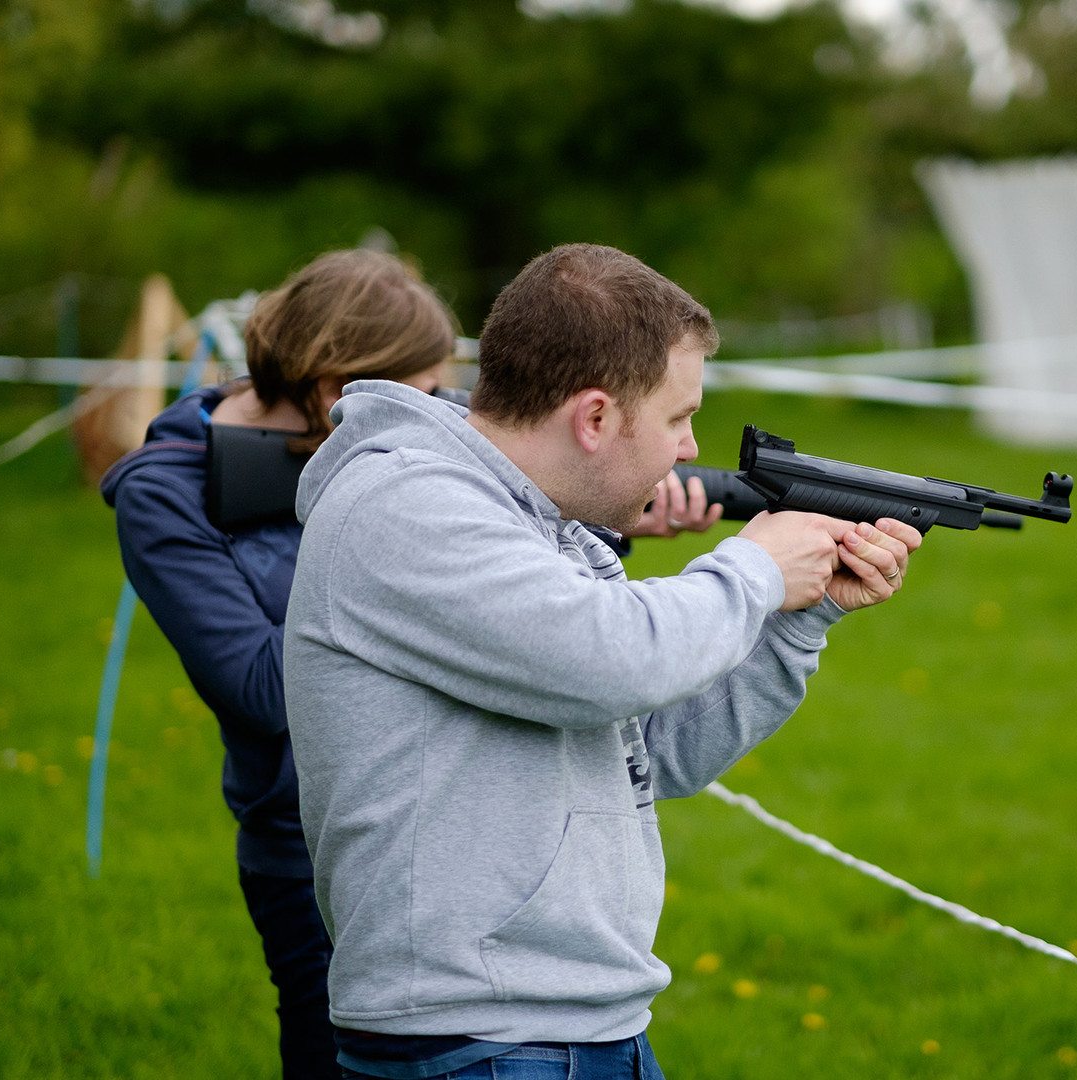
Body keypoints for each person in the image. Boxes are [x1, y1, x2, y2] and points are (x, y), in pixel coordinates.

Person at [283, 243, 922, 1080]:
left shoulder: (544, 527)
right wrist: (755, 566)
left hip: (580, 1024)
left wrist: (804, 619)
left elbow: (663, 748)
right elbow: (614, 657)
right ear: (593, 418)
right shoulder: (407, 507)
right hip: (473, 1042)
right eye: (676, 417)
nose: (690, 449)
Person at [100, 248, 718, 1080]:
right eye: (421, 393)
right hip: (306, 833)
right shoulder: (171, 491)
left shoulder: (415, 489)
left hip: (471, 823)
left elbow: (509, 607)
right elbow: (253, 681)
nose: (442, 413)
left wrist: (591, 528)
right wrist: (406, 599)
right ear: (335, 394)